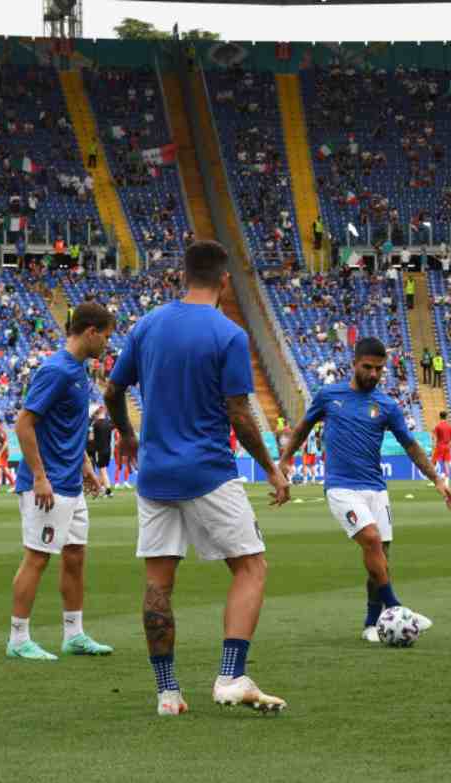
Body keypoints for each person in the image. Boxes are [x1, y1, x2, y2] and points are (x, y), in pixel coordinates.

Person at [105, 240, 291, 716]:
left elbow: (112, 389)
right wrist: (271, 468)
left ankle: (168, 693)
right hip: (207, 470)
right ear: (224, 281)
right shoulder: (227, 334)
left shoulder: (146, 326)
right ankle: (231, 674)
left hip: (154, 475)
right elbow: (239, 413)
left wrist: (127, 434)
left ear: (182, 277)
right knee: (251, 566)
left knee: (158, 583)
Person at [279, 338, 451, 642]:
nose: (374, 374)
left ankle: (372, 623)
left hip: (376, 488)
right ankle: (399, 609)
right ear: (354, 364)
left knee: (381, 555)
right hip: (341, 487)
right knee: (371, 540)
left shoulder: (387, 405)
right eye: (368, 367)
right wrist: (284, 461)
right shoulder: (329, 396)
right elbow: (303, 429)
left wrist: (437, 479)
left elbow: (410, 445)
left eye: (379, 369)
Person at [7, 303, 117, 661]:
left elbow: (68, 428)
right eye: (105, 336)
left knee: (75, 556)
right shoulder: (55, 371)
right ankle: (18, 638)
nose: (107, 344)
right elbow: (24, 423)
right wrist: (39, 476)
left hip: (70, 483)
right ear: (90, 331)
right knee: (37, 558)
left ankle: (74, 634)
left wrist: (86, 467)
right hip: (48, 485)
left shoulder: (78, 371)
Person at [88, 407, 114, 498]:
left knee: (103, 471)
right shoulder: (109, 423)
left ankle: (108, 491)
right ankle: (100, 488)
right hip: (108, 449)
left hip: (99, 450)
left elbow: (91, 438)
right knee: (102, 470)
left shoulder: (95, 424)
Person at [431, 411, 451, 482]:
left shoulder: (438, 426)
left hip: (439, 446)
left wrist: (433, 445)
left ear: (440, 417)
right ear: (447, 417)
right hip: (447, 446)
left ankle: (434, 480)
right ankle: (447, 481)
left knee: (433, 462)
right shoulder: (450, 427)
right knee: (446, 462)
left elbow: (434, 437)